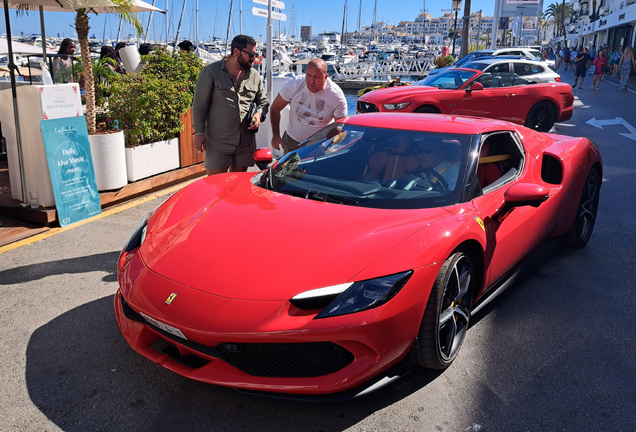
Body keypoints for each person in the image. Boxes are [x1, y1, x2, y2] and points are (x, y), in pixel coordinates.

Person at [192, 34, 269, 175]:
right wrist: (200, 133)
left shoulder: (255, 76)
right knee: (216, 188)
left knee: (237, 188)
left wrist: (258, 114)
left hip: (245, 142)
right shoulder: (211, 72)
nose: (254, 58)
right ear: (236, 52)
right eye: (251, 54)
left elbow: (263, 102)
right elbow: (199, 105)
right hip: (218, 143)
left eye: (256, 54)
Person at [270, 58, 347, 154]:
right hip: (292, 142)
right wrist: (276, 135)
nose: (311, 81)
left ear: (326, 77)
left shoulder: (336, 95)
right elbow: (275, 108)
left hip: (320, 145)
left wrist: (329, 142)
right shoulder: (294, 84)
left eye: (316, 77)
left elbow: (342, 127)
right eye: (308, 75)